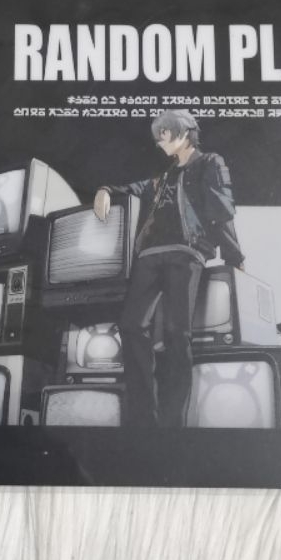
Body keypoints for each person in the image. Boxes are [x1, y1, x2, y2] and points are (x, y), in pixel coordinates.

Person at [93, 110, 244, 427]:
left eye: (164, 134)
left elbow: (220, 211)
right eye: (158, 135)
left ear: (184, 133)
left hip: (185, 253)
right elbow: (135, 188)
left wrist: (235, 255)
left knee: (178, 334)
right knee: (131, 325)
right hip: (149, 255)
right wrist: (105, 189)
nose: (159, 141)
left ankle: (174, 422)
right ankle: (143, 417)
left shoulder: (209, 162)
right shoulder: (163, 177)